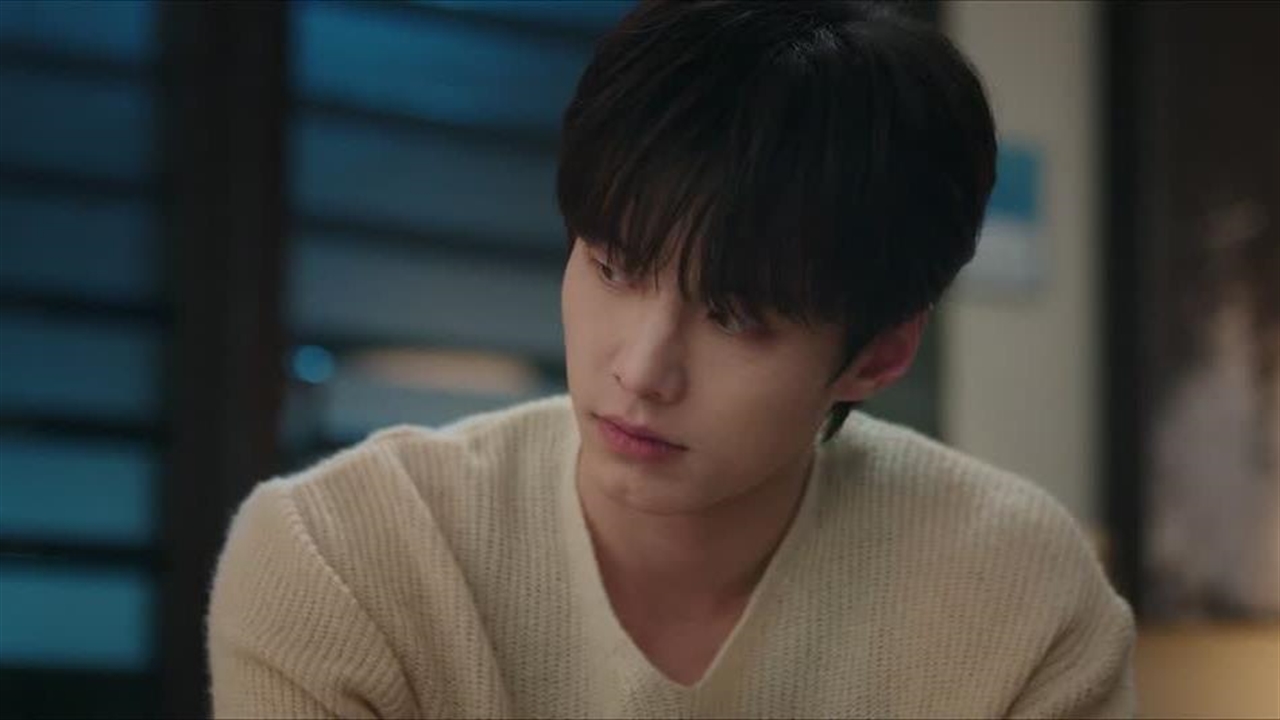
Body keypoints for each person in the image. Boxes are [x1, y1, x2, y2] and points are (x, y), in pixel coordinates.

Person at [207, 1, 1135, 717]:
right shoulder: (343, 561)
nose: (642, 370)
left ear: (879, 354)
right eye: (613, 267)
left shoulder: (1020, 601)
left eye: (735, 317)